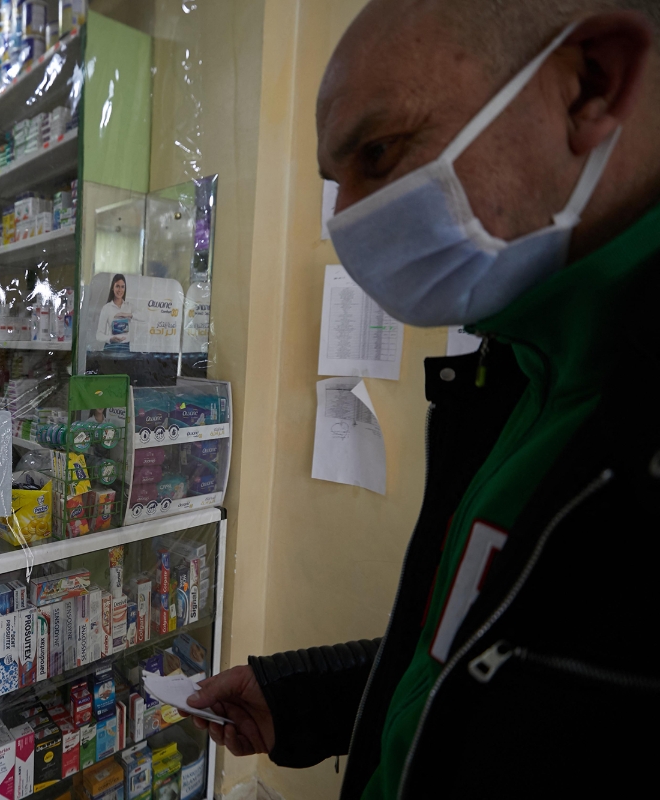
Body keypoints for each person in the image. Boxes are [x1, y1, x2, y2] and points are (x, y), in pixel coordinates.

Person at [188, 1, 660, 797]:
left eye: (379, 152)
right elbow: (485, 657)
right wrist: (309, 699)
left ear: (591, 83)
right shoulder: (518, 365)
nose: (348, 224)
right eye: (336, 184)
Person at [95, 273, 133, 353]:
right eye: (117, 286)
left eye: (122, 287)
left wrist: (127, 315)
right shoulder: (106, 308)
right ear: (113, 287)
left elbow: (144, 318)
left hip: (125, 348)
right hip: (111, 347)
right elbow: (98, 335)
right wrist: (110, 338)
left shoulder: (129, 307)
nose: (120, 290)